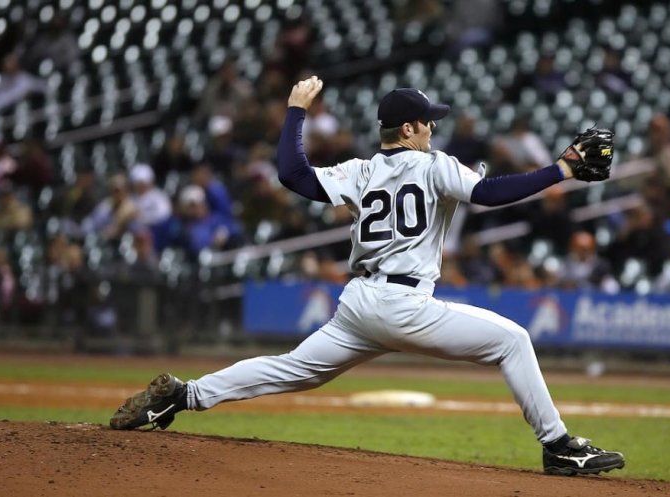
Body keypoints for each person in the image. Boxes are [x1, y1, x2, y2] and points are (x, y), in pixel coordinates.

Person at [110, 76, 625, 476]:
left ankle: (185, 395)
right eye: (427, 123)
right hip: (404, 305)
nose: (432, 129)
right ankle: (559, 448)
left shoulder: (358, 171)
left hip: (359, 304)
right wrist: (563, 170)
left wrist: (295, 110)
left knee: (292, 368)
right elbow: (489, 195)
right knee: (512, 340)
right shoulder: (433, 165)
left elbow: (291, 173)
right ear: (408, 129)